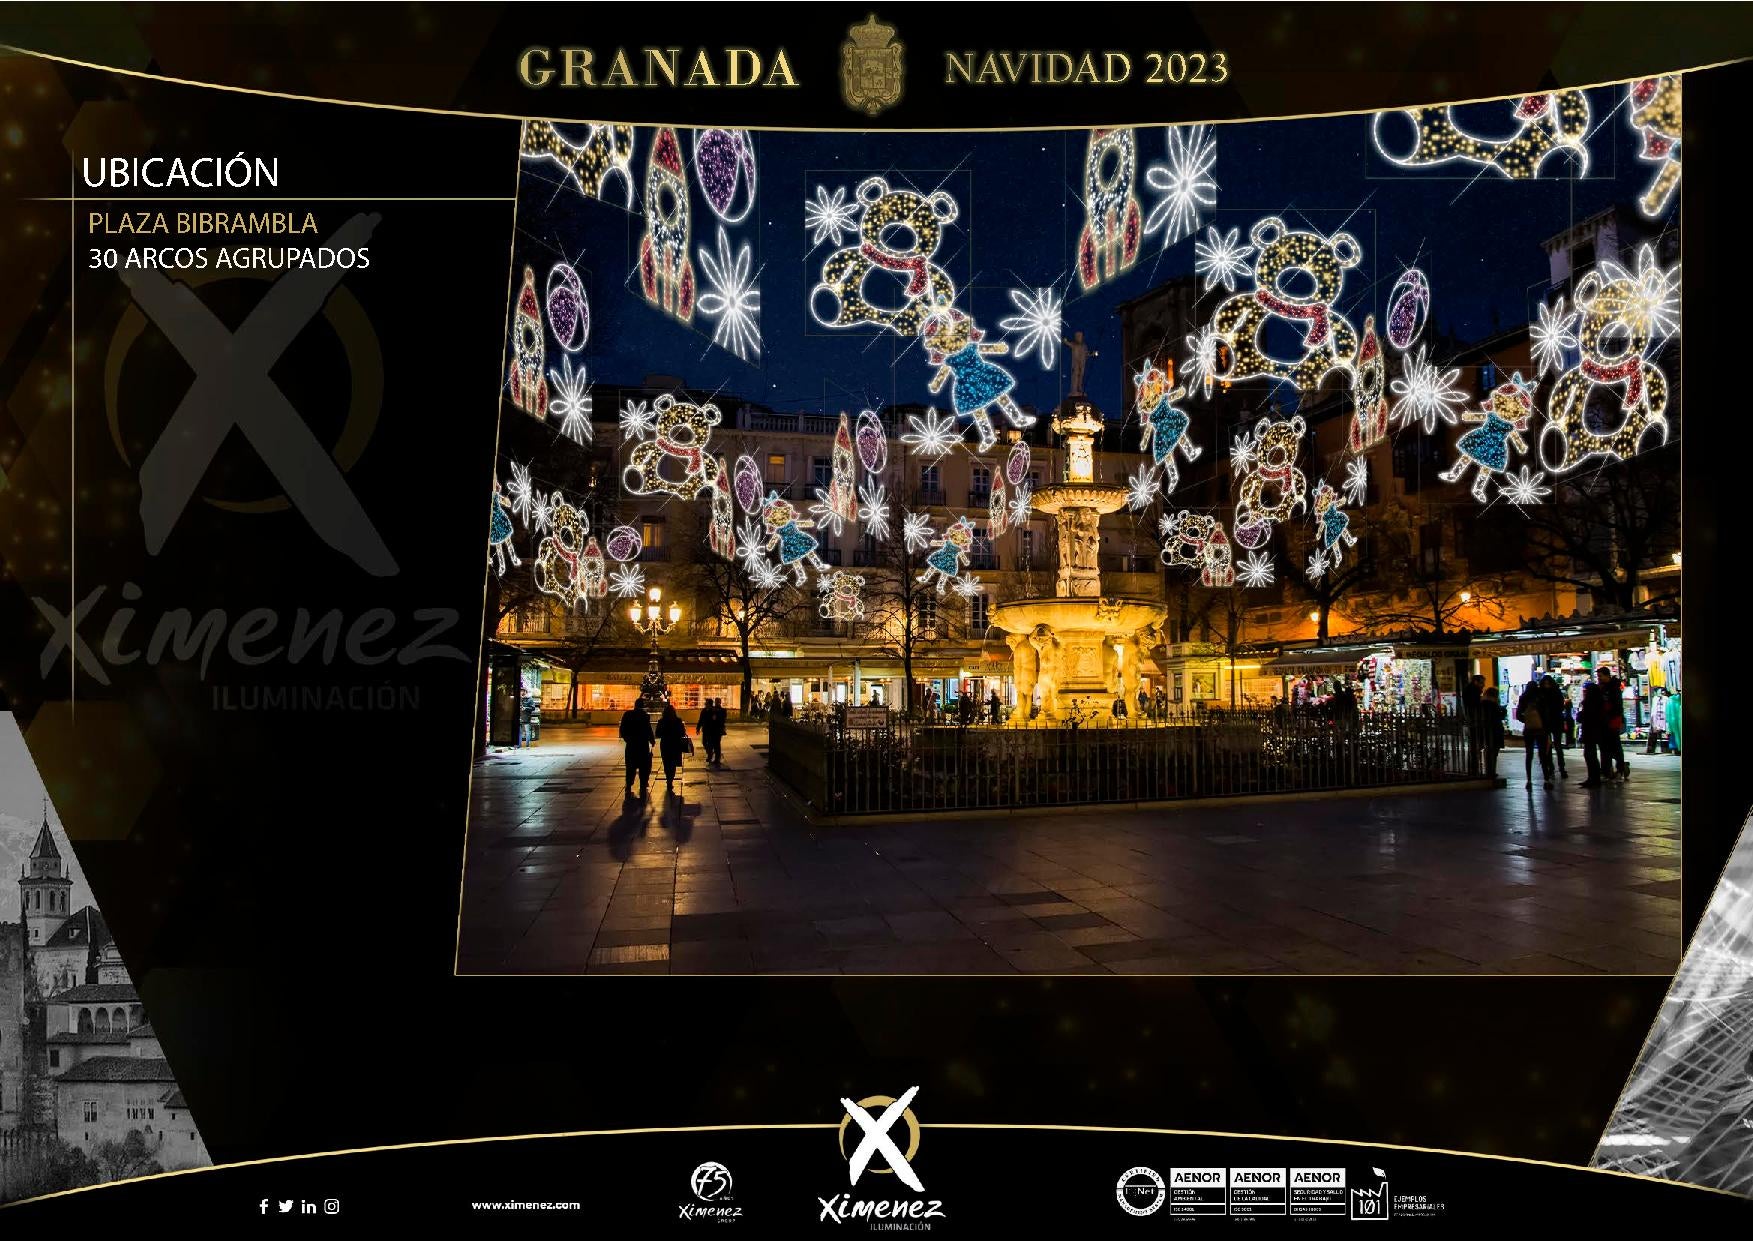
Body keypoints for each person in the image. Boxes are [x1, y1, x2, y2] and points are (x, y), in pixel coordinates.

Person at [1518, 678, 1554, 788]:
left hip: (1528, 730)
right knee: (1543, 755)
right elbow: (1546, 714)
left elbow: (1519, 715)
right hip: (1541, 730)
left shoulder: (1523, 698)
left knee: (1529, 755)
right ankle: (1546, 779)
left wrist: (1527, 720)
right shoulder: (1541, 698)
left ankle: (1529, 780)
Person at [1597, 666, 1629, 782]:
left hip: (1613, 721)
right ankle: (1607, 771)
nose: (1599, 678)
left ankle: (1620, 769)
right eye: (1598, 676)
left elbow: (1617, 706)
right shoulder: (1602, 687)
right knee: (1605, 748)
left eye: (1600, 676)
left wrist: (1610, 715)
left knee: (1615, 746)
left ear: (1607, 675)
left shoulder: (1614, 688)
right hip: (1604, 722)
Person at [618, 703, 655, 798]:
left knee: (630, 766)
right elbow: (648, 729)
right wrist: (652, 740)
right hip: (642, 745)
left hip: (631, 745)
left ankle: (629, 785)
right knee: (644, 766)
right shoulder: (644, 716)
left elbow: (622, 729)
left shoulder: (627, 714)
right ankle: (643, 784)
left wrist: (627, 739)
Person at [1578, 674, 1605, 787]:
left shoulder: (1590, 703)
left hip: (1590, 731)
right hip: (1594, 731)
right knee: (1591, 755)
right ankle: (1593, 778)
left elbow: (1585, 717)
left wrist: (1581, 714)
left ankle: (1593, 778)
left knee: (1590, 755)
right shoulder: (1598, 702)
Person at [655, 702, 689, 790]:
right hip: (675, 744)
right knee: (673, 763)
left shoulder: (661, 721)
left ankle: (668, 779)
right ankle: (670, 780)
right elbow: (682, 733)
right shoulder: (678, 721)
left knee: (666, 762)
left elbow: (657, 734)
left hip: (665, 744)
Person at [1462, 673, 1485, 775]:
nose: (1483, 685)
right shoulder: (1473, 692)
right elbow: (1475, 705)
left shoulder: (1470, 690)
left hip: (1473, 719)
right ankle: (1474, 766)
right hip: (1474, 720)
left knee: (1474, 744)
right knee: (1476, 744)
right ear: (1476, 682)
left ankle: (1474, 766)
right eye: (1482, 683)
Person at [1481, 686, 1506, 778]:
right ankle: (1491, 771)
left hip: (1486, 729)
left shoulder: (1482, 703)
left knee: (1489, 751)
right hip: (1495, 729)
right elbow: (1499, 716)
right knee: (1494, 752)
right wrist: (1503, 710)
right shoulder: (1494, 704)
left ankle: (1489, 771)